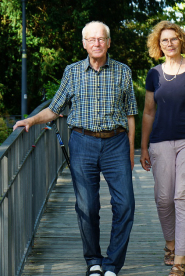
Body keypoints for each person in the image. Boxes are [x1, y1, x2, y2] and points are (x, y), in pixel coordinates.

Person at [13, 21, 137, 276]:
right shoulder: (72, 72)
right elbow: (54, 108)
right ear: (84, 44)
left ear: (109, 42)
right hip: (82, 143)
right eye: (91, 39)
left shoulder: (123, 71)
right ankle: (93, 261)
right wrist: (30, 120)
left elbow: (131, 114)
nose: (97, 43)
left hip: (116, 143)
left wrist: (131, 151)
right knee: (87, 206)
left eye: (101, 39)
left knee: (125, 205)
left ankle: (112, 264)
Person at [140, 21, 185, 276]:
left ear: (181, 40)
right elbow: (149, 112)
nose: (169, 44)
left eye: (173, 39)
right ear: (158, 45)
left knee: (183, 197)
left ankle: (180, 258)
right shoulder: (154, 74)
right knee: (163, 198)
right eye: (164, 41)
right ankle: (170, 244)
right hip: (160, 140)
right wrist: (143, 146)